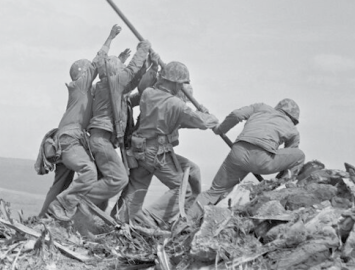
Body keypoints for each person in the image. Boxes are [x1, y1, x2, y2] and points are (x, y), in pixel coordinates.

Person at [112, 61, 219, 227]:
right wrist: (210, 117)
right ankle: (150, 217)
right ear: (175, 83)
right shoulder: (175, 104)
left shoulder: (148, 94)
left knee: (136, 187)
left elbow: (182, 120)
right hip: (157, 152)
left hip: (139, 149)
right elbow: (201, 122)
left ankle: (119, 220)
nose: (181, 88)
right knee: (182, 189)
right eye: (180, 84)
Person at [38, 25, 122, 220]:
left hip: (66, 139)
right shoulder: (81, 85)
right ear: (83, 73)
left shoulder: (83, 92)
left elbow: (105, 76)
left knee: (60, 184)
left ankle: (43, 219)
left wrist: (120, 63)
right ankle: (62, 207)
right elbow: (98, 60)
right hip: (70, 140)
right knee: (89, 172)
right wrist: (110, 37)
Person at [187, 98, 305, 220]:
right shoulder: (293, 130)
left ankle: (185, 221)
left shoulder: (261, 107)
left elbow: (236, 114)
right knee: (299, 155)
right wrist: (279, 180)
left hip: (238, 153)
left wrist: (220, 129)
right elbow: (290, 156)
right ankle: (283, 187)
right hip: (262, 160)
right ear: (294, 118)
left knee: (214, 192)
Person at [83, 39, 152, 211]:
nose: (123, 70)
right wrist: (143, 49)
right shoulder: (112, 83)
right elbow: (132, 70)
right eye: (120, 68)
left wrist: (148, 66)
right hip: (101, 140)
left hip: (101, 140)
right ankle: (79, 200)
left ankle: (88, 217)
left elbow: (133, 81)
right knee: (119, 179)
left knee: (104, 182)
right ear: (115, 71)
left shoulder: (107, 86)